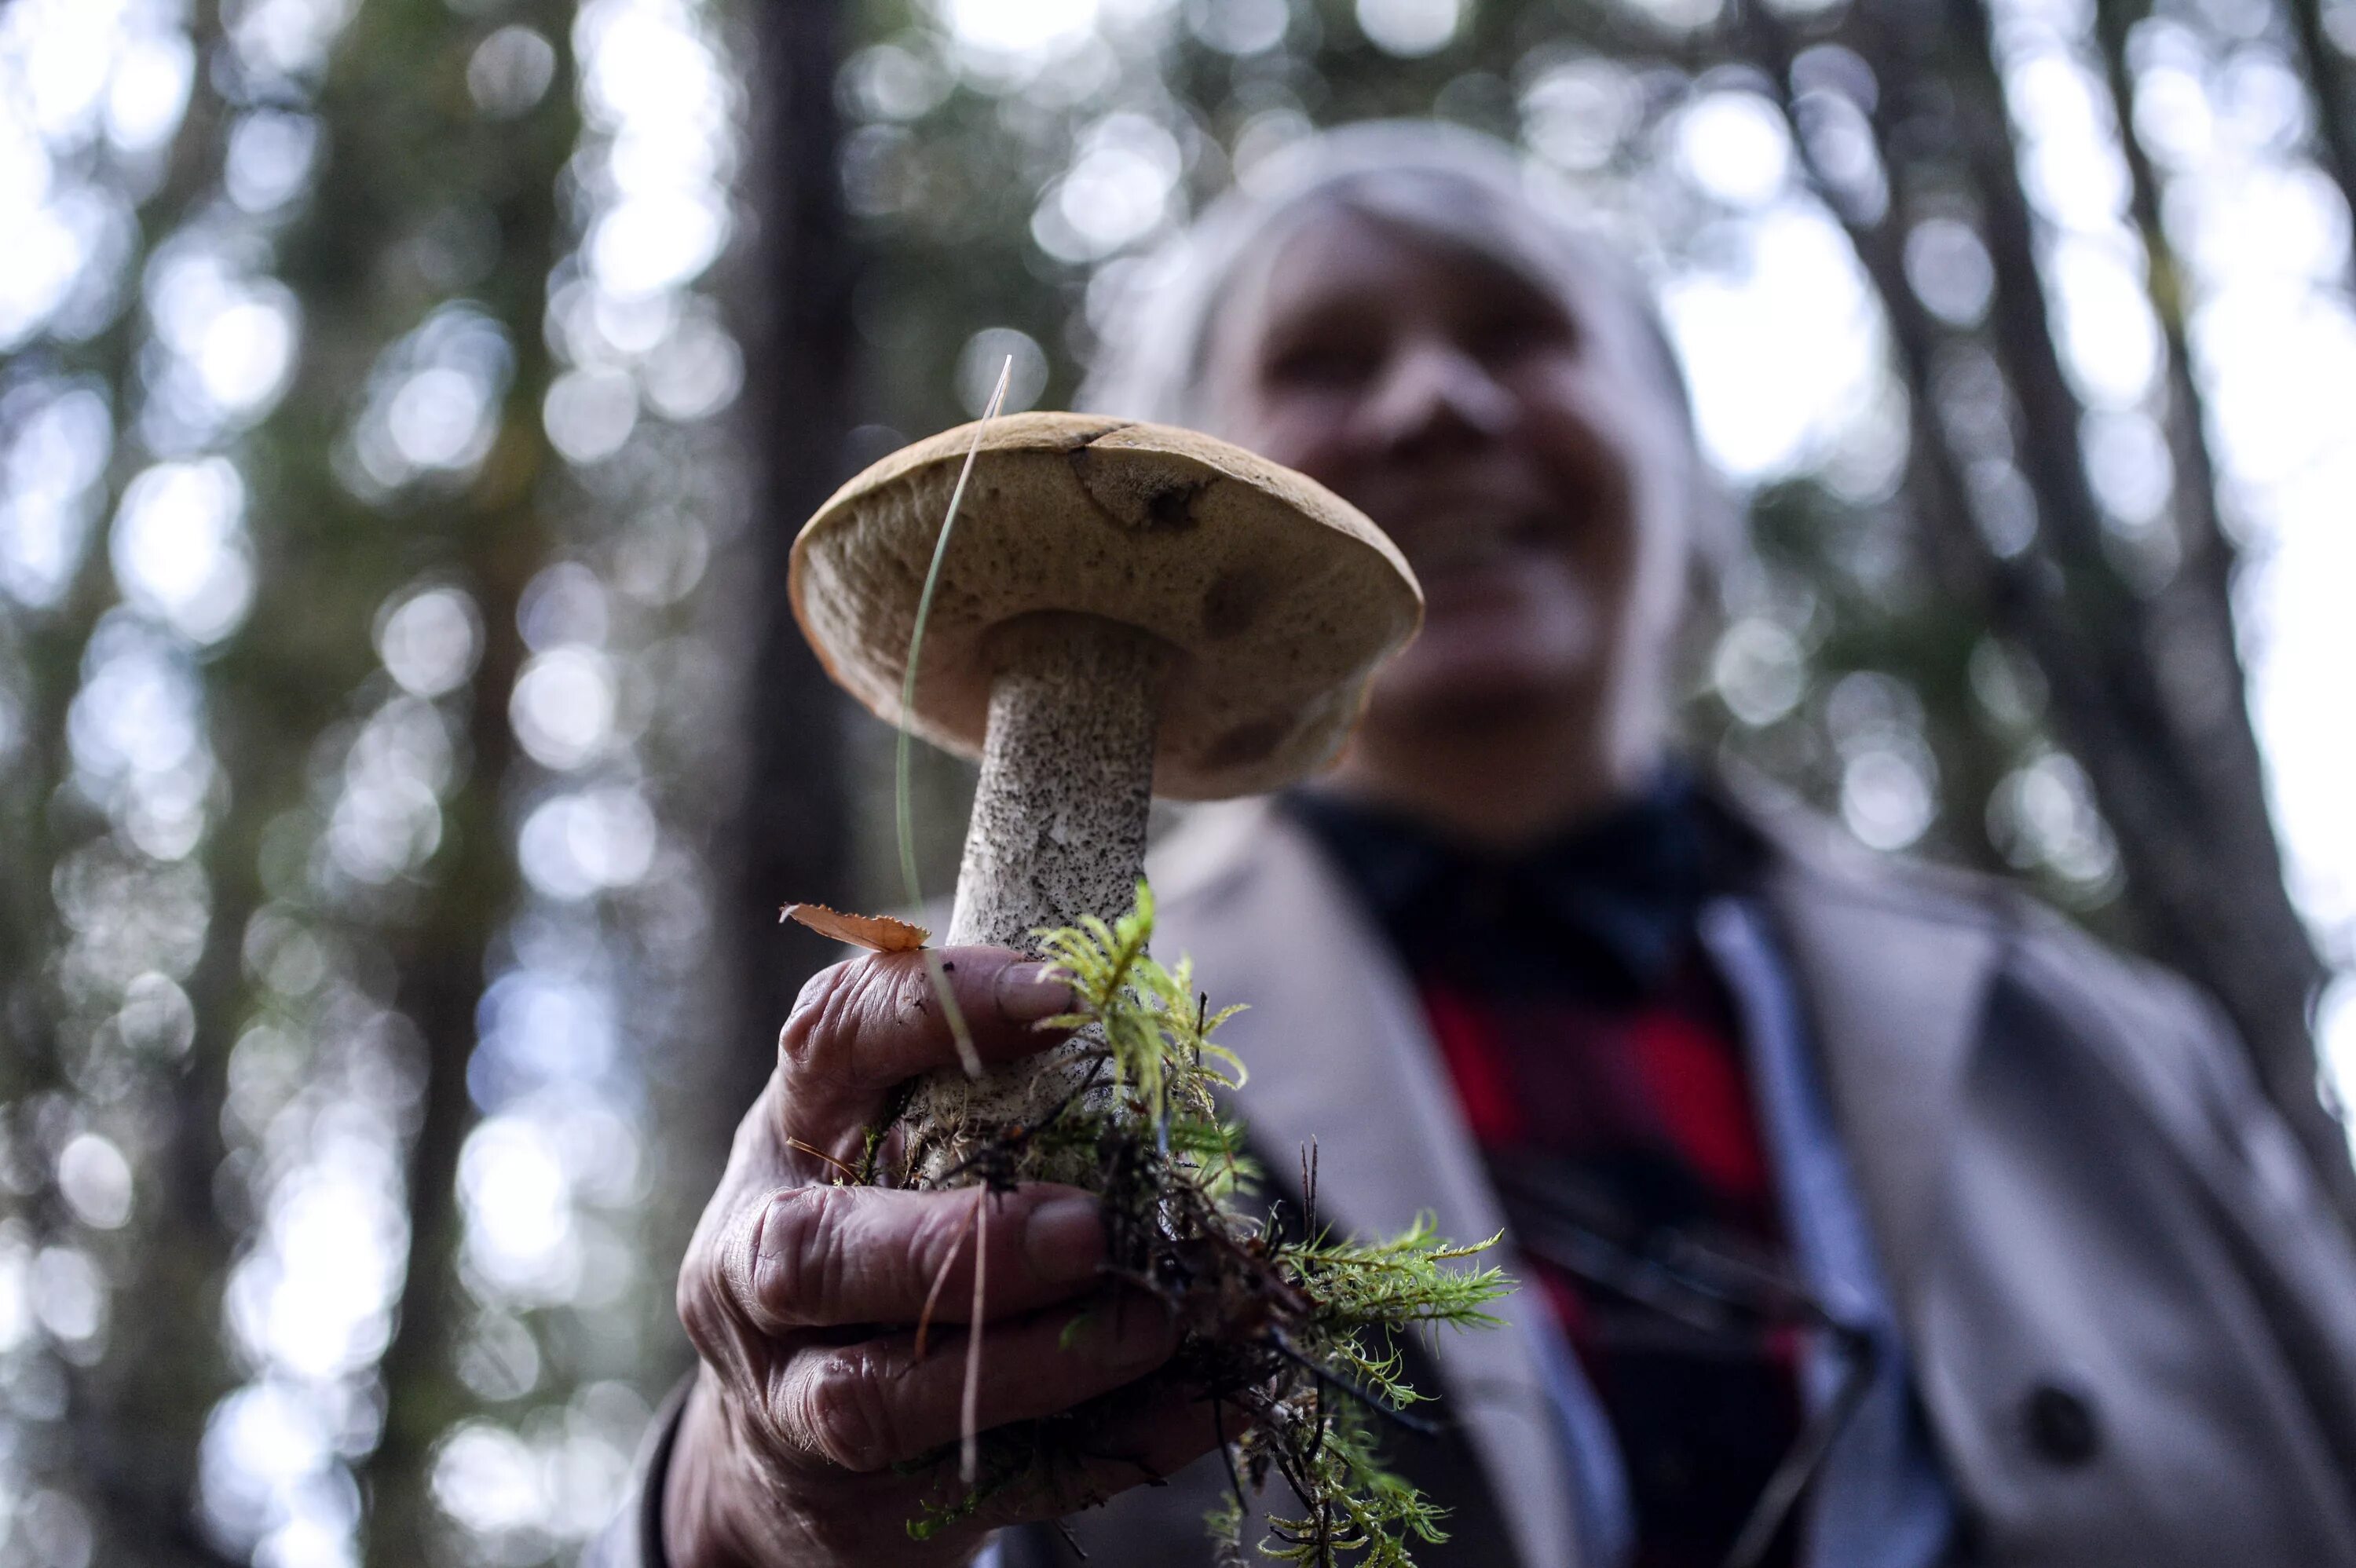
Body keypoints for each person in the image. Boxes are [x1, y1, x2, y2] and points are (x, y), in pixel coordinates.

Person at [595, 124, 2356, 1568]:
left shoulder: (2104, 1046)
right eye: (1325, 360)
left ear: (1679, 462)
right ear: (1176, 457)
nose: (1433, 402)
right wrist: (749, 1503)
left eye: (1518, 333)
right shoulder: (954, 1046)